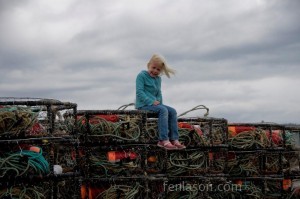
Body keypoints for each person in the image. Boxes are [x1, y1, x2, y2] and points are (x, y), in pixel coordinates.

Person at [135, 54, 186, 150]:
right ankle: (163, 140)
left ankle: (174, 139)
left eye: (158, 70)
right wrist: (150, 101)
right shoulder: (141, 75)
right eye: (153, 68)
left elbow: (159, 92)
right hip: (143, 105)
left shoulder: (158, 79)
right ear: (148, 65)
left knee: (172, 111)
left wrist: (159, 102)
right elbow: (139, 92)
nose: (155, 71)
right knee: (163, 110)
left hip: (155, 105)